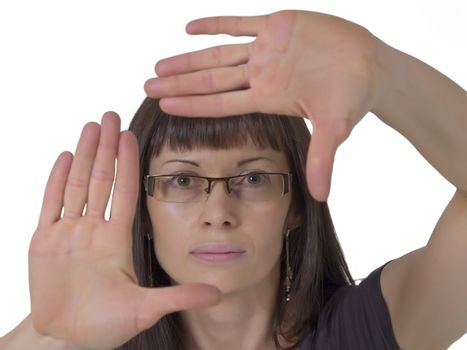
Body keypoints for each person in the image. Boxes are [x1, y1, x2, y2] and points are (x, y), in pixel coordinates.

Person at [0, 8, 466, 350]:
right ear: (141, 213)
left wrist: (386, 74)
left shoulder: (359, 334)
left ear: (297, 207)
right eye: (182, 181)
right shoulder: (85, 339)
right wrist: (48, 337)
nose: (219, 214)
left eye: (254, 178)